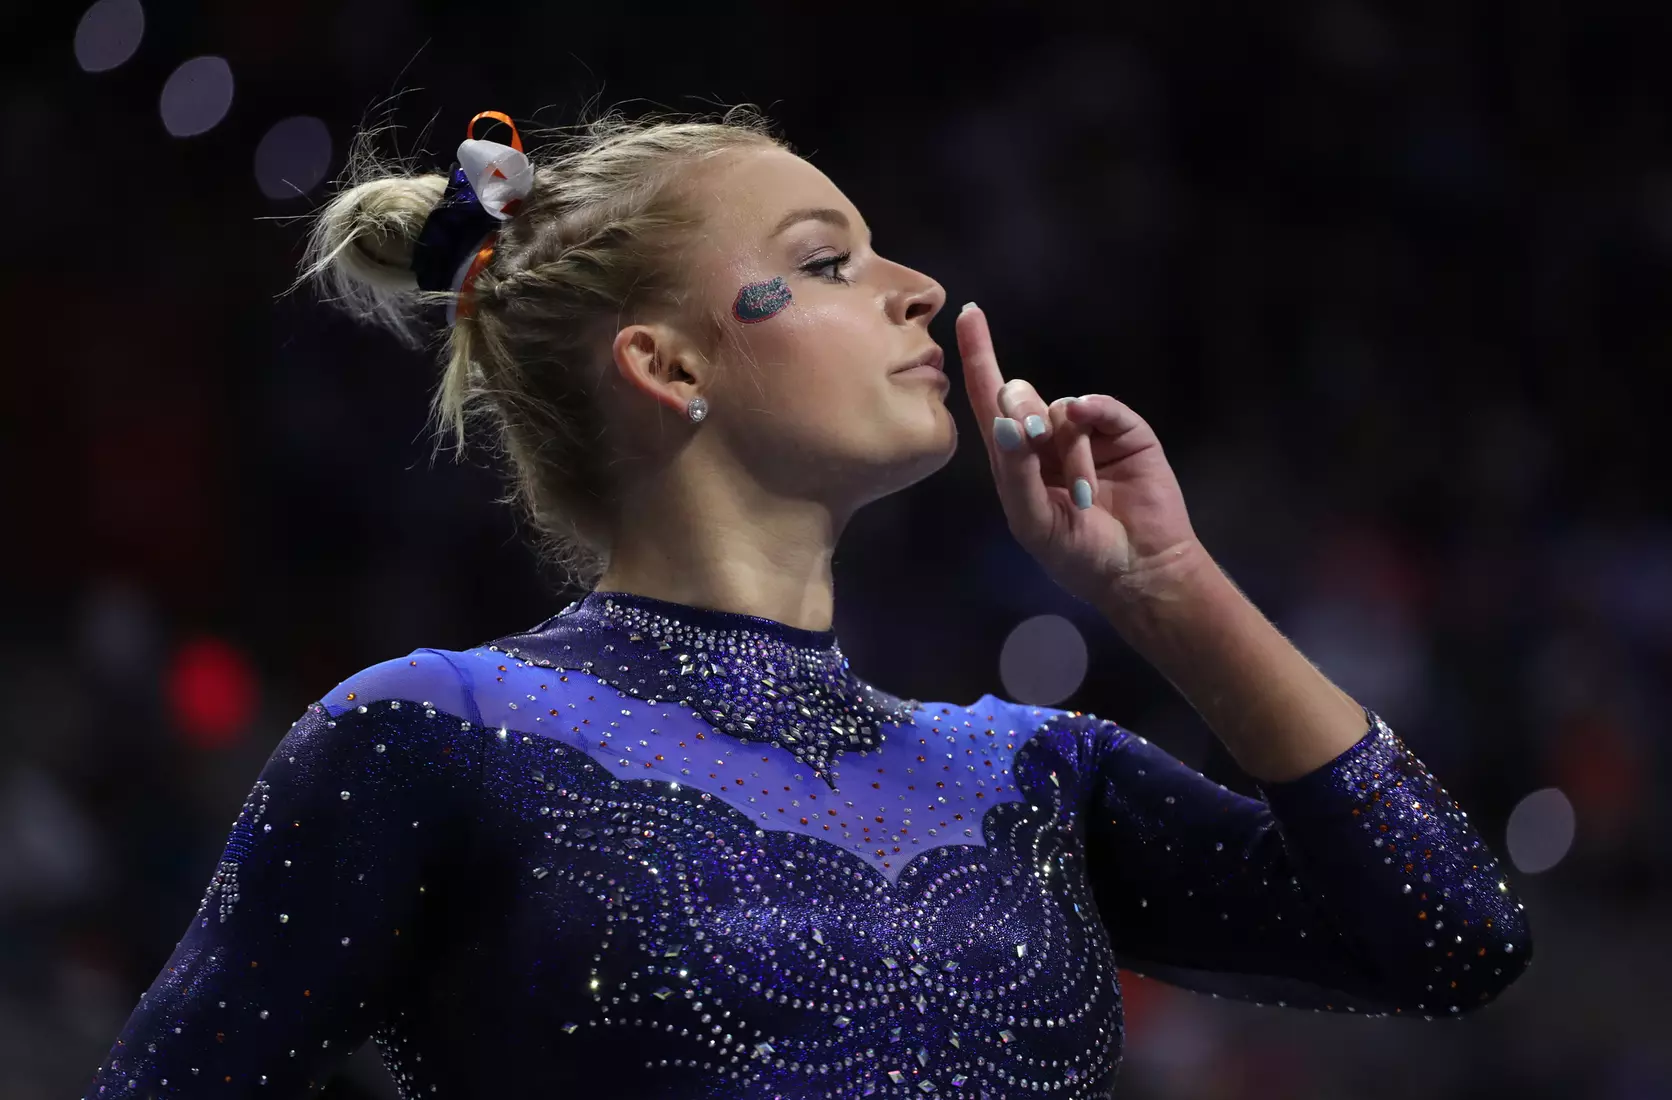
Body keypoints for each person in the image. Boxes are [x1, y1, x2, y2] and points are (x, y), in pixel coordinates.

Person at [86, 105, 1533, 1098]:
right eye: (825, 262)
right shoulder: (437, 738)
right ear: (670, 367)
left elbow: (1455, 934)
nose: (917, 289)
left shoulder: (1028, 774)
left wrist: (1168, 592)